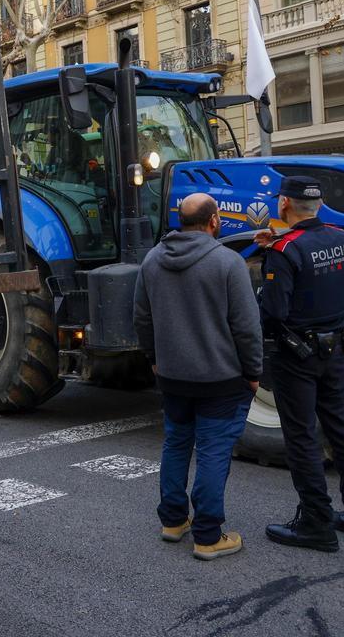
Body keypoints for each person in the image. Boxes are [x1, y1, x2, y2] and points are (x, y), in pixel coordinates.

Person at [133, 193, 262, 561]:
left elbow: (141, 317)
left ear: (179, 220)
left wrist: (154, 359)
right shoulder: (228, 262)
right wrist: (253, 372)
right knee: (212, 452)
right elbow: (247, 328)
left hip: (173, 377)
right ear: (215, 220)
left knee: (176, 444)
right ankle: (207, 535)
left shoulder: (152, 261)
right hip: (220, 380)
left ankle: (173, 521)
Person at [254, 176, 344, 551]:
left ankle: (315, 524)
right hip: (337, 351)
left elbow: (273, 312)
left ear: (284, 204)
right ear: (319, 205)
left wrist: (268, 274)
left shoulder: (284, 249)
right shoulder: (340, 237)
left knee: (303, 437)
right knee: (341, 432)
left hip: (297, 357)